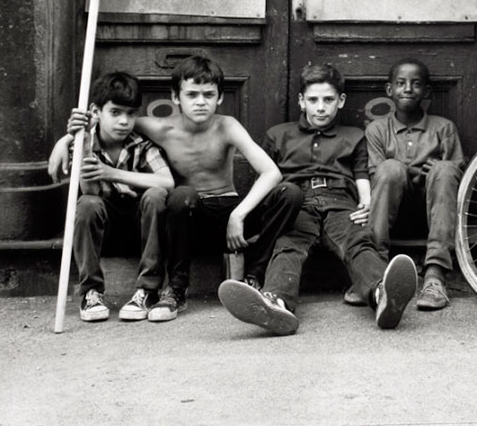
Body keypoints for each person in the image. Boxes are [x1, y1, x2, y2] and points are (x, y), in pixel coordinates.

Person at [49, 55, 293, 323]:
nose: (201, 101)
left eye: (209, 94)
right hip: (188, 216)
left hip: (229, 212)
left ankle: (253, 277)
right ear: (176, 97)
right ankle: (176, 288)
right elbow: (110, 123)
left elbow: (272, 173)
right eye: (192, 94)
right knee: (180, 195)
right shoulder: (157, 127)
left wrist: (239, 215)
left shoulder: (228, 126)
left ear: (220, 97)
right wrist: (67, 139)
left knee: (290, 194)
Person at [217, 63, 418, 336]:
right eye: (313, 100)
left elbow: (361, 175)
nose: (320, 107)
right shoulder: (278, 134)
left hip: (340, 200)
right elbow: (264, 182)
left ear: (341, 101)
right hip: (297, 201)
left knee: (356, 241)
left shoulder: (354, 136)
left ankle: (382, 294)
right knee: (289, 244)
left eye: (328, 100)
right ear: (302, 101)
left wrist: (367, 203)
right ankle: (275, 302)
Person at [47, 72, 175, 322]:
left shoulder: (141, 145)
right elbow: (92, 192)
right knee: (87, 203)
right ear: (96, 111)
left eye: (130, 114)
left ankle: (148, 290)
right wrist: (76, 143)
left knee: (156, 195)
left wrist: (113, 173)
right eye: (115, 112)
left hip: (144, 231)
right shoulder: (84, 142)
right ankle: (91, 291)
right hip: (103, 232)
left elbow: (167, 181)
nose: (124, 121)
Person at [363, 58, 463, 310]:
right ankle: (374, 271)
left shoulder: (444, 128)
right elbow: (378, 176)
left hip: (435, 215)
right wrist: (410, 170)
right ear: (389, 91)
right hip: (390, 214)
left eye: (416, 84)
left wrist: (439, 169)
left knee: (444, 168)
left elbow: (456, 174)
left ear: (426, 92)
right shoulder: (377, 129)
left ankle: (435, 275)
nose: (408, 89)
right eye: (400, 84)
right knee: (390, 168)